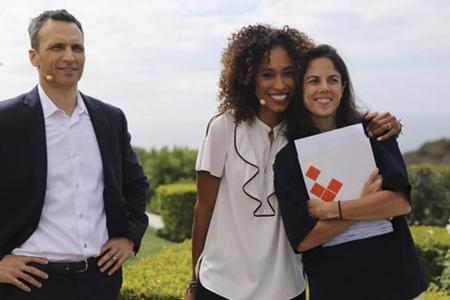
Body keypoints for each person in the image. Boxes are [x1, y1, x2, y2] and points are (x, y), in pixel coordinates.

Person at [188, 25, 402, 300]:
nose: (280, 84)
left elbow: (350, 126)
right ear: (248, 78)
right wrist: (194, 281)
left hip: (287, 288)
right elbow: (202, 209)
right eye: (267, 74)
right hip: (219, 286)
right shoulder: (223, 127)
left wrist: (390, 124)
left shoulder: (308, 134)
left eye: (288, 73)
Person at [0, 9, 149, 300]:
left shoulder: (110, 118)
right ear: (34, 56)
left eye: (77, 47)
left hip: (99, 282)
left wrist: (129, 236)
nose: (70, 56)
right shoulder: (6, 121)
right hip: (28, 286)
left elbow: (136, 185)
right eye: (57, 46)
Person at [274, 44, 428, 300]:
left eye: (332, 80)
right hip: (337, 290)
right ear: (301, 89)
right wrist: (365, 206)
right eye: (314, 81)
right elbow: (304, 239)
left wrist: (330, 210)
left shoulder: (373, 132)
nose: (324, 87)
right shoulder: (289, 160)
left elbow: (399, 203)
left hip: (399, 286)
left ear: (343, 87)